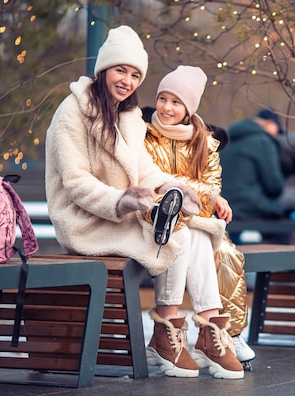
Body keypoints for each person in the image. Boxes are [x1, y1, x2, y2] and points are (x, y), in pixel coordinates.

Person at [44, 25, 243, 380]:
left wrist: (176, 188)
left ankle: (207, 329)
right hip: (87, 221)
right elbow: (75, 183)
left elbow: (145, 169)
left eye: (136, 74)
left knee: (194, 232)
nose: (128, 80)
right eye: (121, 70)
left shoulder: (129, 116)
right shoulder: (71, 112)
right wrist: (122, 199)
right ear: (104, 68)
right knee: (178, 235)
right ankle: (168, 332)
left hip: (123, 214)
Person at [142, 65, 256, 369]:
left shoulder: (204, 141)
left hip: (196, 220)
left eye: (176, 102)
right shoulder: (144, 135)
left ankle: (223, 331)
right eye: (163, 99)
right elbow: (152, 178)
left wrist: (207, 195)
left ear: (188, 108)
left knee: (225, 252)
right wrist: (208, 195)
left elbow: (211, 184)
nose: (167, 108)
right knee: (188, 235)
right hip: (154, 215)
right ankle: (194, 332)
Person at [219, 112, 287, 222]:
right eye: (277, 130)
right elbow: (274, 186)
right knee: (291, 206)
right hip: (249, 205)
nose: (276, 135)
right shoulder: (263, 141)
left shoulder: (228, 139)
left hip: (222, 206)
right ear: (269, 123)